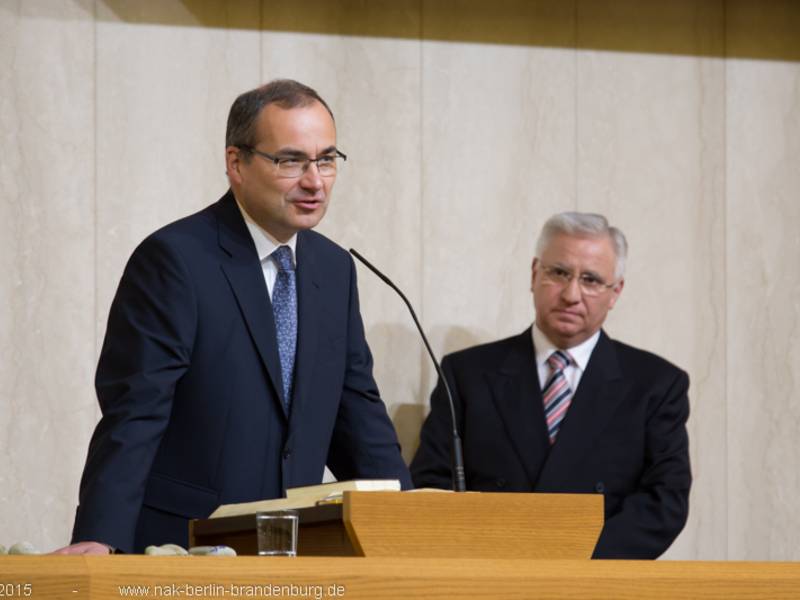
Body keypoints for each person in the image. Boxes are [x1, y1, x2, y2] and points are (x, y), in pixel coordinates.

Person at [56, 79, 411, 555]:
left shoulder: (334, 268)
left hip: (291, 550)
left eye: (326, 159)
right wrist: (99, 537)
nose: (314, 181)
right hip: (184, 547)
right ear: (236, 163)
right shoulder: (175, 260)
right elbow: (135, 413)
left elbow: (357, 412)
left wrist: (410, 527)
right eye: (290, 160)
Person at [410, 212, 690, 559]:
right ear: (534, 274)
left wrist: (576, 561)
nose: (572, 294)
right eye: (559, 273)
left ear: (615, 292)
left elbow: (664, 501)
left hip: (597, 583)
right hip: (490, 578)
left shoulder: (655, 385)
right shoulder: (466, 374)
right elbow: (430, 487)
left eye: (590, 279)